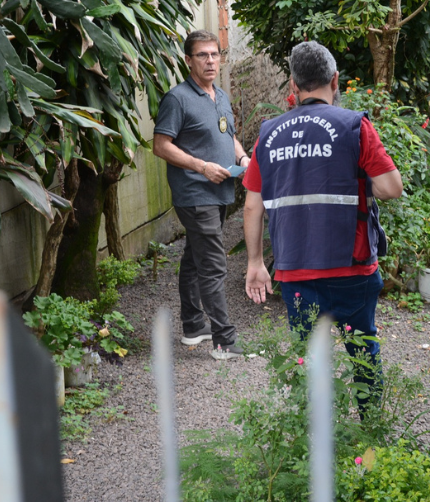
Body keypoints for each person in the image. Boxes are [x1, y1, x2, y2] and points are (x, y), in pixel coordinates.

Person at [242, 41, 403, 397]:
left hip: (295, 269)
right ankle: (370, 426)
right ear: (335, 80)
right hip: (352, 268)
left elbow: (253, 206)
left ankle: (312, 426)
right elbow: (391, 188)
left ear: (293, 86)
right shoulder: (354, 126)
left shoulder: (268, 134)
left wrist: (255, 263)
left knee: (307, 358)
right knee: (363, 352)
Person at [153, 30, 249, 360]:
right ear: (188, 60)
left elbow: (229, 135)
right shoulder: (177, 99)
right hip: (195, 192)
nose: (210, 61)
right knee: (213, 264)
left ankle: (194, 326)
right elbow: (161, 145)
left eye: (214, 54)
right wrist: (202, 166)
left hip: (220, 190)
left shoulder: (220, 95)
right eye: (202, 55)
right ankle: (224, 341)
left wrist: (243, 159)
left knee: (195, 258)